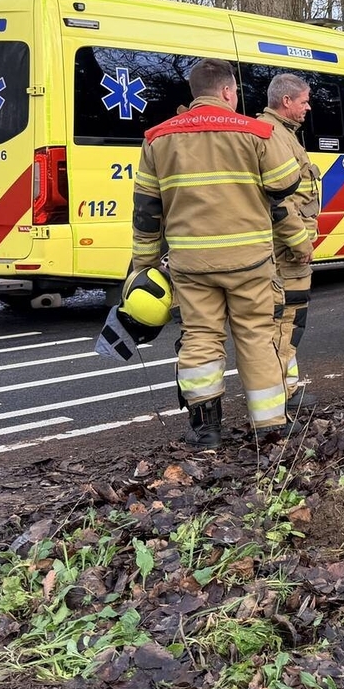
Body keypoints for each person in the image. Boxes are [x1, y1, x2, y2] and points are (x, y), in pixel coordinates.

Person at [131, 58, 302, 449]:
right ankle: (270, 426)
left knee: (200, 339)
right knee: (257, 337)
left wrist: (143, 267)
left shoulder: (157, 138)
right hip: (250, 261)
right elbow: (286, 183)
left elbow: (145, 212)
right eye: (235, 92)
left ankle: (206, 429)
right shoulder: (255, 132)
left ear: (195, 93)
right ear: (227, 91)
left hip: (191, 264)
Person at [257, 73, 321, 405]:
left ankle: (286, 387)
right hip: (286, 249)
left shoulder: (281, 133)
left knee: (286, 320)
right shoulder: (274, 136)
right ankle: (281, 393)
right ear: (286, 101)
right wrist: (299, 242)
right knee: (288, 319)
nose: (308, 107)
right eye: (304, 101)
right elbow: (280, 200)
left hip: (284, 245)